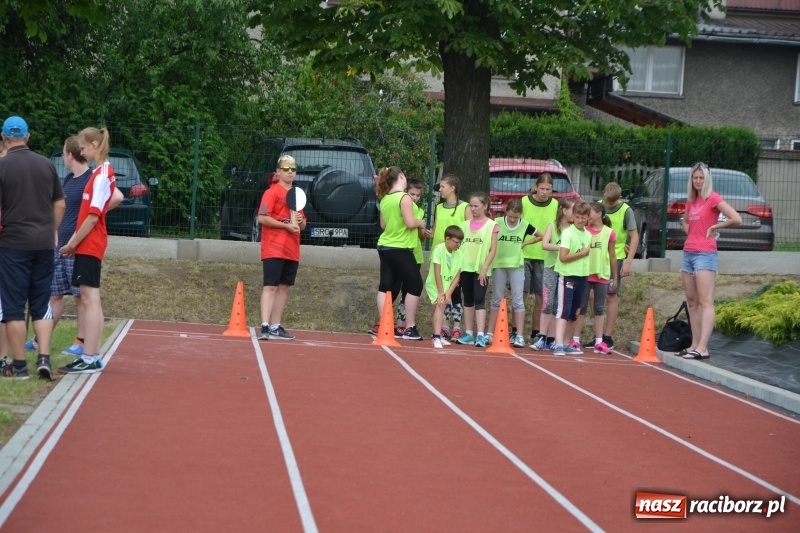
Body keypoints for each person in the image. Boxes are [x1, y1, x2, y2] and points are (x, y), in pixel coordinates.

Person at [25, 136, 124, 356]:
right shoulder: (70, 179)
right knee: (54, 294)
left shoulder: (93, 176)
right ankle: (40, 338)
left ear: (70, 155)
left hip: (78, 245)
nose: (63, 157)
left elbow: (117, 196)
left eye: (63, 153)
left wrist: (94, 214)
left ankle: (81, 342)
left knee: (82, 297)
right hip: (61, 245)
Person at [0, 116, 66, 380]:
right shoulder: (46, 164)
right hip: (43, 244)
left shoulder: (2, 166)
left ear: (4, 138)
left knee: (14, 306)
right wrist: (50, 230)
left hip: (13, 244)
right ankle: (44, 357)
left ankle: (19, 366)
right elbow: (60, 204)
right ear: (27, 137)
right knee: (40, 302)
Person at [58, 127, 117, 374]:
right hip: (89, 243)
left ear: (94, 145)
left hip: (90, 244)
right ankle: (91, 355)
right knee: (91, 300)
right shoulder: (101, 173)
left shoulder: (101, 174)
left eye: (82, 148)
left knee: (90, 300)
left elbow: (92, 217)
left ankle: (90, 356)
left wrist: (73, 243)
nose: (80, 152)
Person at [679, 162, 741, 360]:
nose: (698, 181)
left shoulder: (713, 198)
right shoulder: (691, 201)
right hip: (689, 253)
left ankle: (703, 347)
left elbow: (736, 218)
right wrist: (693, 234)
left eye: (701, 178)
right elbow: (685, 222)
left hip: (705, 254)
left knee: (705, 301)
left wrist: (715, 228)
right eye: (695, 178)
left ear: (707, 179)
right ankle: (694, 344)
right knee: (692, 301)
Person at [256, 155, 306, 341]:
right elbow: (262, 217)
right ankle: (265, 325)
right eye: (286, 169)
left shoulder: (296, 194)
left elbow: (303, 224)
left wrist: (300, 221)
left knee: (284, 287)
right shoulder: (272, 192)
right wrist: (285, 226)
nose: (290, 172)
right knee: (270, 286)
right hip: (273, 248)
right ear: (278, 171)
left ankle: (276, 326)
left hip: (291, 249)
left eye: (293, 169)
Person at [374, 166, 426, 341]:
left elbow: (383, 225)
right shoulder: (404, 197)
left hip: (385, 246)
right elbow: (410, 223)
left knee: (385, 285)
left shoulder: (385, 198)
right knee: (415, 285)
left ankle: (385, 325)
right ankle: (410, 327)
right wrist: (420, 222)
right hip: (400, 247)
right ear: (401, 177)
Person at [486, 198, 541, 348]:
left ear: (520, 215)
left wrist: (525, 243)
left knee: (518, 300)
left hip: (516, 265)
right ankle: (489, 334)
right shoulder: (497, 222)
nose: (512, 219)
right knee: (496, 299)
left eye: (515, 217)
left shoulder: (524, 225)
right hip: (499, 264)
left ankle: (519, 336)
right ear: (506, 212)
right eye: (510, 216)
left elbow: (540, 235)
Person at [572, 202, 618, 354]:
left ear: (599, 214)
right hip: (584, 273)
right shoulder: (584, 231)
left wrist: (615, 277)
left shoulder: (609, 233)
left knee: (599, 308)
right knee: (581, 307)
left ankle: (599, 340)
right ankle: (575, 339)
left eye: (590, 212)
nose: (587, 216)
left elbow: (612, 256)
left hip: (602, 274)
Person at [598, 182, 639, 350]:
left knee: (610, 296)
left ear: (619, 198)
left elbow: (634, 236)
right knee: (593, 296)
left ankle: (607, 337)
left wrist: (628, 262)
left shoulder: (626, 211)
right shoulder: (598, 207)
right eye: (607, 202)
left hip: (616, 258)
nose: (609, 205)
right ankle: (598, 335)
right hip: (596, 258)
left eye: (612, 203)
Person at [430, 174, 471, 341]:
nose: (440, 189)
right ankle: (444, 327)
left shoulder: (464, 207)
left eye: (443, 186)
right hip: (440, 254)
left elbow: (469, 231)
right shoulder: (439, 207)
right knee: (441, 293)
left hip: (456, 256)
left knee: (455, 292)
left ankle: (457, 327)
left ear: (452, 188)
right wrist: (425, 232)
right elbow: (435, 230)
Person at [455, 192, 498, 348]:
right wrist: (458, 270)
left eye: (476, 206)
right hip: (465, 267)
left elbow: (493, 250)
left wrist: (484, 268)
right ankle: (468, 333)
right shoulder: (464, 225)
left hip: (481, 269)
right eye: (471, 206)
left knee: (479, 299)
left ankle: (480, 334)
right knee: (468, 299)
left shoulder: (492, 225)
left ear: (485, 206)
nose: (473, 209)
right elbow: (459, 249)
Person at [530, 198, 574, 350]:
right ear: (564, 211)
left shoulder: (573, 229)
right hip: (551, 268)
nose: (575, 213)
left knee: (558, 305)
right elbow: (545, 244)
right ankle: (542, 337)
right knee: (547, 302)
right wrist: (561, 248)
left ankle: (552, 338)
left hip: (565, 270)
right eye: (572, 210)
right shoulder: (552, 225)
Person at [520, 173, 559, 344]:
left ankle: (536, 332)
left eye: (548, 189)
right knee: (521, 295)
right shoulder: (524, 202)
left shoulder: (556, 205)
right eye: (542, 188)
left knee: (541, 297)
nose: (544, 192)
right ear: (536, 187)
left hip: (545, 257)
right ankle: (517, 331)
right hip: (524, 254)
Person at [551, 201, 591, 357]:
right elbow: (563, 257)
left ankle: (567, 343)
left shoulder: (588, 235)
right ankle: (558, 343)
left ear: (588, 218)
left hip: (582, 275)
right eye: (577, 217)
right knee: (564, 309)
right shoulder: (568, 233)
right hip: (568, 274)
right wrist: (582, 253)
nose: (580, 220)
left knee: (575, 311)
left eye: (583, 217)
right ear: (573, 216)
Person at [394, 176, 430, 337]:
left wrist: (423, 232)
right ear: (405, 192)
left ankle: (405, 324)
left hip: (416, 255)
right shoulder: (402, 206)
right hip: (402, 252)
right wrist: (415, 223)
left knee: (410, 290)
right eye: (412, 194)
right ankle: (399, 324)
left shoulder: (420, 211)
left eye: (418, 195)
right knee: (401, 288)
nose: (415, 198)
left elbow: (420, 237)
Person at [425, 225, 464, 349]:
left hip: (447, 286)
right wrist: (441, 292)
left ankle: (436, 335)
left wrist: (449, 292)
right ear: (447, 239)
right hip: (435, 285)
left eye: (460, 243)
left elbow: (457, 276)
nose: (458, 245)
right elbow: (437, 272)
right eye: (456, 242)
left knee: (439, 309)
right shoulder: (438, 250)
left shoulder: (460, 254)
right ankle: (437, 336)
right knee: (440, 306)